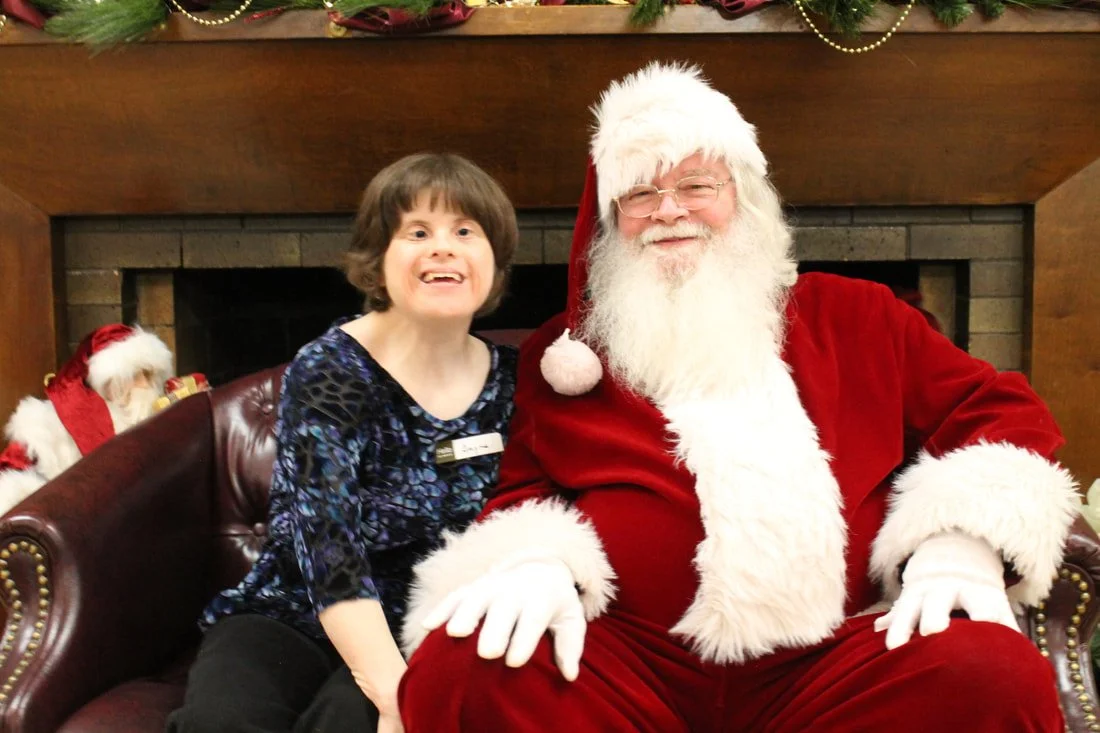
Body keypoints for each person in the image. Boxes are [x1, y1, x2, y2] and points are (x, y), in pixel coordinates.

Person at [395, 63, 1080, 732]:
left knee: (991, 672)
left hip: (835, 663)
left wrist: (958, 542)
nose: (669, 211)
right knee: (463, 667)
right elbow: (525, 489)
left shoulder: (860, 315)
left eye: (696, 184)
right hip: (630, 666)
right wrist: (535, 560)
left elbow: (1003, 413)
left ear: (742, 197)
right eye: (638, 195)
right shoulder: (569, 354)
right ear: (611, 221)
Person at [166, 152, 520, 733]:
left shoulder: (514, 381)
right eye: (418, 231)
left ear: (493, 261)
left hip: (429, 620)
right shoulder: (331, 368)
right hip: (294, 610)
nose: (443, 247)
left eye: (465, 231)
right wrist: (396, 695)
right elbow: (327, 543)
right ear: (378, 262)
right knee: (220, 721)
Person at [0, 324, 174, 515]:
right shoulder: (45, 425)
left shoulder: (152, 415)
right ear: (108, 381)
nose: (146, 385)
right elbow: (10, 476)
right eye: (135, 375)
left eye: (149, 375)